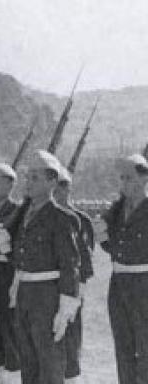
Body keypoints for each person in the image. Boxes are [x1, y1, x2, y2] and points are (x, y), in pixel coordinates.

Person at [9, 150, 81, 384]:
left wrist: (66, 305)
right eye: (28, 177)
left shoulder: (61, 217)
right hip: (25, 295)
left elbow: (70, 263)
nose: (28, 182)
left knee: (49, 362)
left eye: (35, 178)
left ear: (52, 182)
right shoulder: (24, 215)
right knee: (28, 361)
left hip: (47, 297)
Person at [97, 154, 148, 384]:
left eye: (129, 178)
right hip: (118, 284)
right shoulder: (117, 211)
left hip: (143, 285)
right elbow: (114, 248)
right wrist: (102, 236)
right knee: (123, 348)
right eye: (122, 178)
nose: (124, 183)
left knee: (145, 347)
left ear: (144, 179)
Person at [54, 166, 94, 384]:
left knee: (70, 336)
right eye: (57, 186)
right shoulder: (40, 216)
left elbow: (85, 262)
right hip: (45, 288)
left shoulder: (80, 219)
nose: (60, 191)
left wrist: (78, 294)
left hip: (71, 288)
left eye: (64, 186)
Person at [0, 163, 21, 384]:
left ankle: (12, 372)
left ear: (10, 184)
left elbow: (19, 248)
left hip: (6, 273)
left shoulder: (17, 211)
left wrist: (5, 246)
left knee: (8, 324)